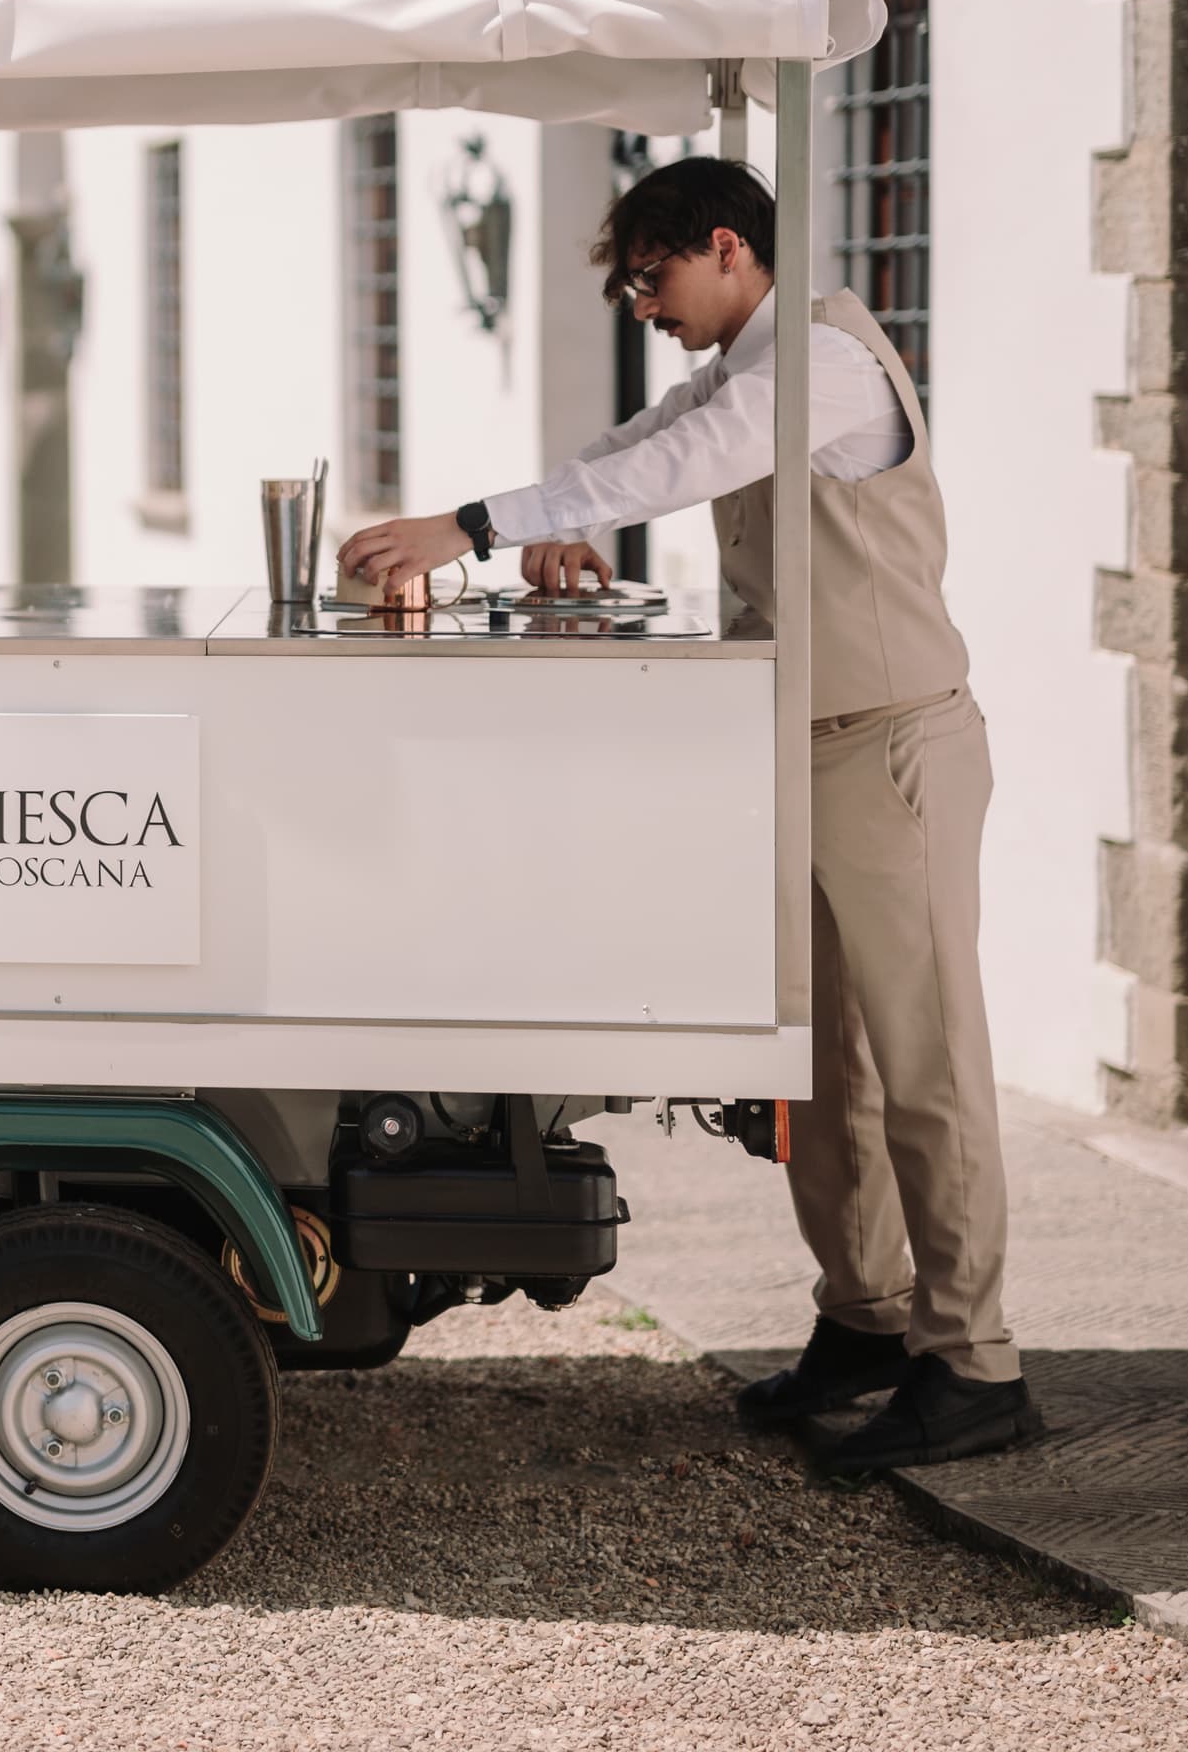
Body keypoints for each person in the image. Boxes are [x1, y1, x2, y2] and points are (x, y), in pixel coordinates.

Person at [340, 156, 1038, 1472]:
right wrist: (547, 515)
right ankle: (871, 1320)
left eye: (651, 278)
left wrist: (471, 529)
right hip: (811, 753)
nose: (641, 305)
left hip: (891, 750)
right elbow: (637, 452)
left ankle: (976, 1361)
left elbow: (689, 461)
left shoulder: (823, 363)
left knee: (929, 1073)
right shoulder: (753, 360)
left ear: (729, 246)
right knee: (826, 1076)